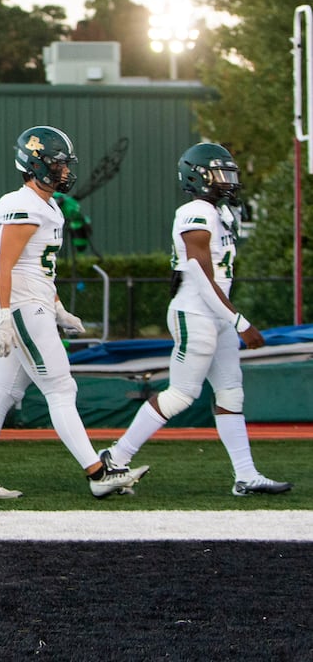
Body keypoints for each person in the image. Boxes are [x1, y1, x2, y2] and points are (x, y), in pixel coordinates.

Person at [0, 125, 148, 500]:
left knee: (3, 394)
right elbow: (4, 267)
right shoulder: (21, 203)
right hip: (24, 309)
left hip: (37, 304)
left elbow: (39, 267)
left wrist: (59, 308)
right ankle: (97, 472)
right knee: (61, 388)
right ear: (37, 164)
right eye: (58, 164)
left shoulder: (47, 204)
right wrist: (2, 317)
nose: (64, 171)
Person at [101, 143, 292, 496]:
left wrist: (229, 319)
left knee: (231, 392)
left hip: (215, 314)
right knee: (182, 394)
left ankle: (246, 475)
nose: (228, 182)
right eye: (220, 174)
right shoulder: (194, 211)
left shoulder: (220, 214)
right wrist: (239, 321)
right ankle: (115, 456)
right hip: (195, 313)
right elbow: (199, 273)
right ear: (198, 177)